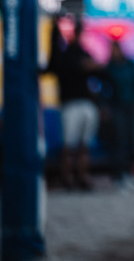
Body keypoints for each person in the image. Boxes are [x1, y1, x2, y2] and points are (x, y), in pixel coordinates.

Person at [47, 14, 101, 191]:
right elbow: (54, 56)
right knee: (69, 146)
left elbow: (99, 71)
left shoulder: (84, 54)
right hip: (70, 104)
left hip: (85, 104)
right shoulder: (63, 56)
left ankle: (82, 176)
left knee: (84, 145)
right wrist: (54, 27)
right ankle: (67, 177)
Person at [102, 39, 134, 191]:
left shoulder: (130, 65)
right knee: (119, 141)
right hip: (117, 107)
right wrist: (105, 107)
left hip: (131, 107)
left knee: (132, 141)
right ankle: (119, 176)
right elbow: (105, 90)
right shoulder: (109, 68)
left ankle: (129, 174)